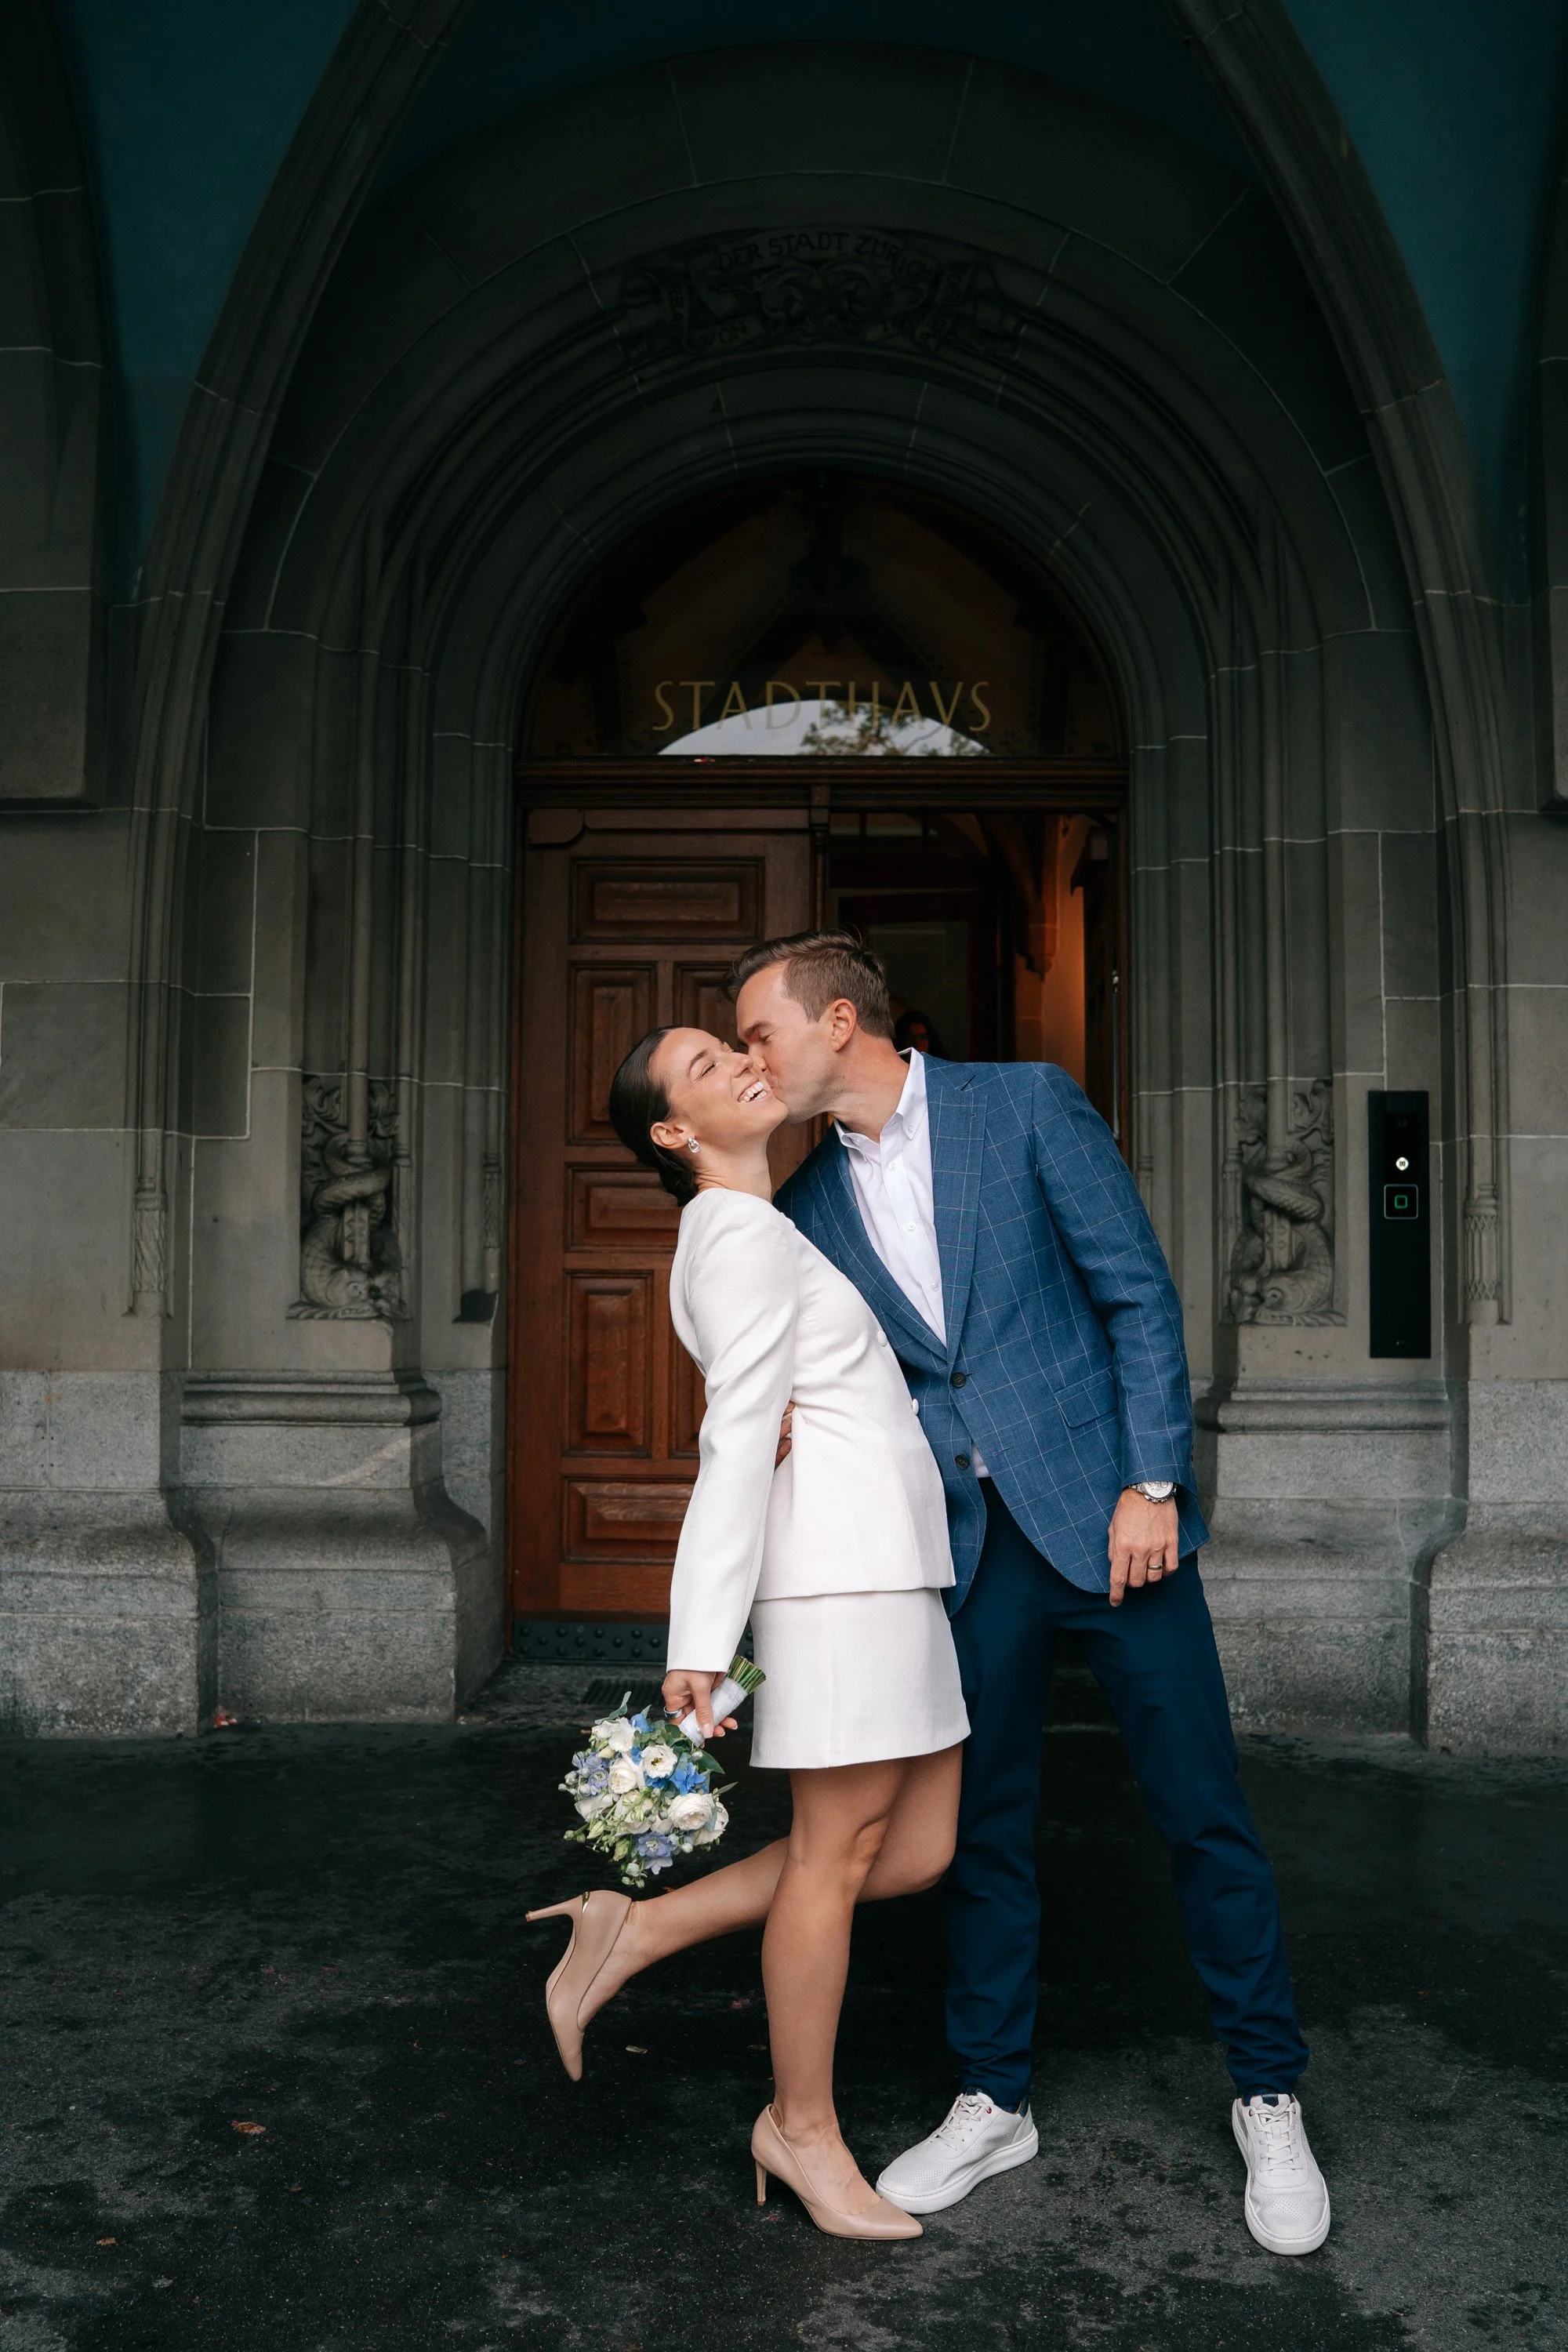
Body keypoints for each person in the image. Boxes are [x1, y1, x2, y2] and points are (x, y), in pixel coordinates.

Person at [730, 929, 1331, 2260]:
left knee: (1201, 1811)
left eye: (760, 1030)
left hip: (1114, 1525)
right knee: (985, 1831)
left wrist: (1152, 1483)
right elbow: (850, 1372)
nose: (750, 1058)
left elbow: (1134, 1296)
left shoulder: (1026, 1101)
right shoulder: (806, 1201)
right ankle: (995, 2095)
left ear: (840, 1021)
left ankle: (1268, 2091)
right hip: (963, 1547)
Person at [527, 1022, 969, 2242]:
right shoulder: (728, 1234)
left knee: (919, 1849)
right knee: (832, 1862)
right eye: (705, 1070)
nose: (737, 1064)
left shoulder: (760, 1229)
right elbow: (736, 1440)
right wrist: (703, 1646)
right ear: (674, 1133)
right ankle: (802, 2129)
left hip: (890, 1571)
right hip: (837, 1582)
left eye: (730, 1046)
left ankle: (639, 1925)